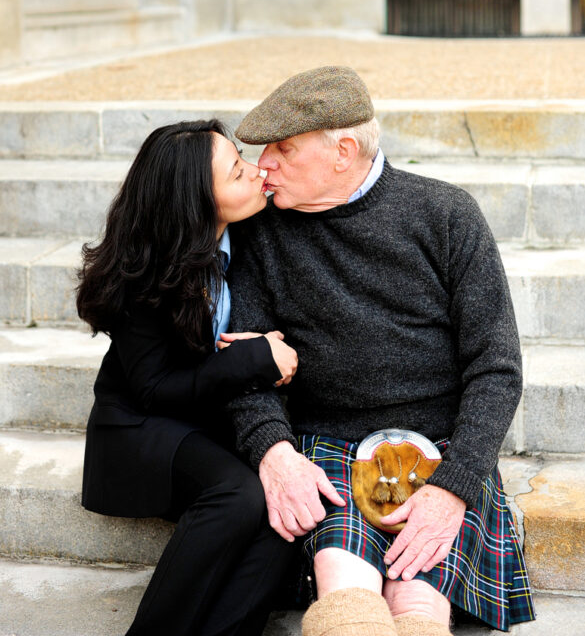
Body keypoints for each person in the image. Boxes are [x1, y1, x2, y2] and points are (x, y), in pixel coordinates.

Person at [225, 66, 535, 636]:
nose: (263, 164)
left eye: (283, 149)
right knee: (347, 596)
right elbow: (244, 368)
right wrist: (273, 451)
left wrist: (457, 485)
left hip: (442, 448)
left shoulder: (446, 215)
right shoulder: (260, 232)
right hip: (328, 446)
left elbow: (496, 366)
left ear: (343, 151)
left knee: (418, 599)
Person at [76, 119, 299, 636]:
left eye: (242, 160)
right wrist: (252, 360)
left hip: (204, 418)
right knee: (240, 494)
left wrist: (264, 349)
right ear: (196, 200)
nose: (256, 172)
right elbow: (154, 388)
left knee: (285, 510)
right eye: (236, 172)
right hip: (137, 426)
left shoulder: (249, 237)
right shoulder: (147, 272)